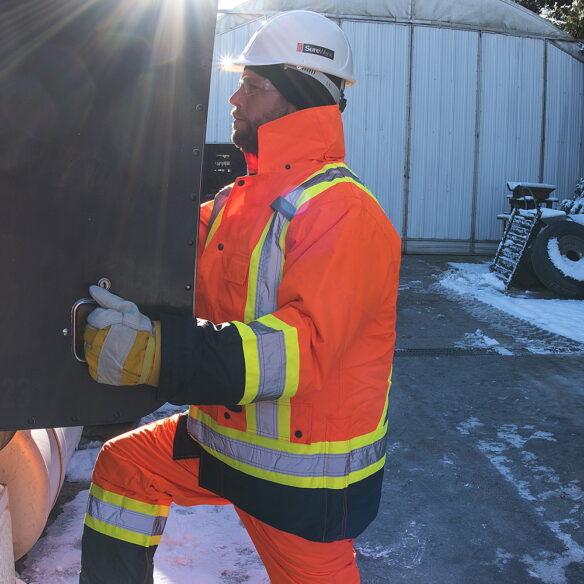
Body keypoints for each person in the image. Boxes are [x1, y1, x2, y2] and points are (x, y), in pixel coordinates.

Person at [79, 10, 401, 584]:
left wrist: (158, 355)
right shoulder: (239, 200)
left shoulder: (344, 214)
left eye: (254, 87)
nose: (235, 98)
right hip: (223, 447)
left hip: (300, 485)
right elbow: (171, 264)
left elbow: (298, 350)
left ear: (299, 98)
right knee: (126, 467)